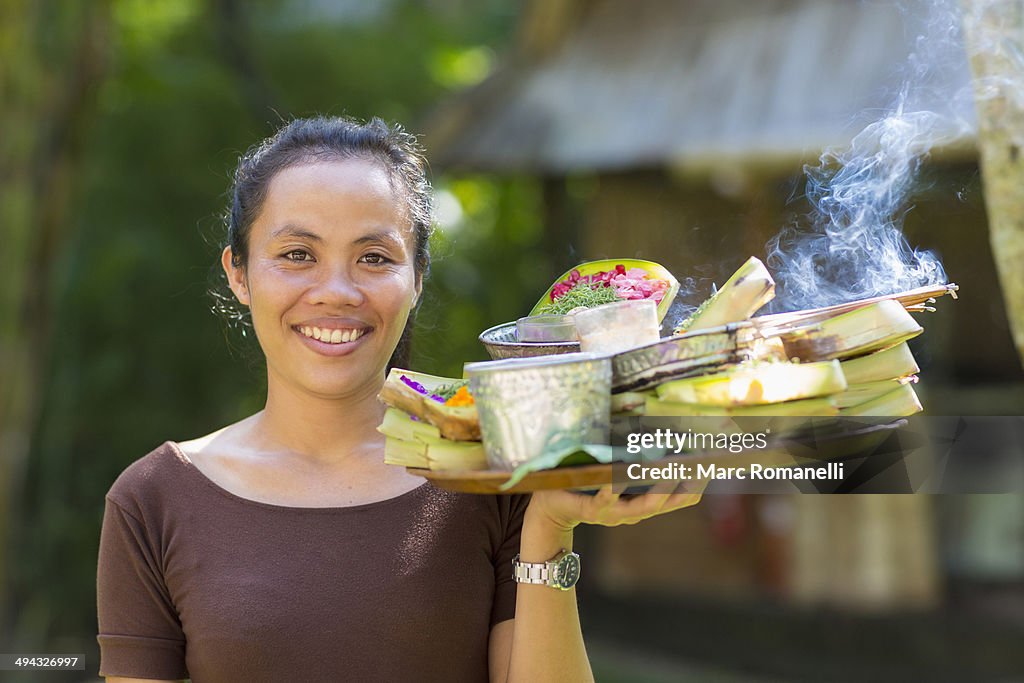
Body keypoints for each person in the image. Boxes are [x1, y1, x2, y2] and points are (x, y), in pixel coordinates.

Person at [96, 116, 702, 683]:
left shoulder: (494, 471)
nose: (335, 291)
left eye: (374, 258)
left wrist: (550, 521)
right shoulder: (152, 501)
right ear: (239, 272)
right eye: (298, 255)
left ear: (416, 278)